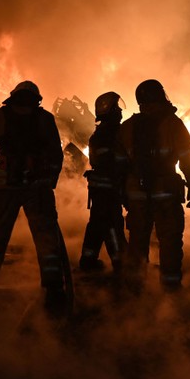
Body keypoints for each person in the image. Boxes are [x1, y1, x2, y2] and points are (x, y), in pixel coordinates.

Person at [0, 81, 68, 303]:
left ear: (13, 97)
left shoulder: (0, 116)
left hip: (6, 188)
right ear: (36, 100)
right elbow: (56, 155)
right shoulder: (44, 119)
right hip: (37, 188)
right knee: (46, 238)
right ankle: (53, 288)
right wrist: (49, 181)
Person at [116, 79, 190, 290]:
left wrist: (123, 192)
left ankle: (135, 289)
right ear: (161, 96)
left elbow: (119, 164)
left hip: (136, 194)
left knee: (137, 241)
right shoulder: (173, 124)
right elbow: (187, 157)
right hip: (165, 192)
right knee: (169, 241)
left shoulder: (127, 127)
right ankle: (170, 288)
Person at [78, 91, 128, 272]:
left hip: (101, 188)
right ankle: (120, 262)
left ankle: (88, 260)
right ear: (110, 110)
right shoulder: (108, 135)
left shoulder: (103, 134)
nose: (121, 112)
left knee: (97, 224)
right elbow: (113, 163)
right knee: (112, 225)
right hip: (108, 188)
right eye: (118, 108)